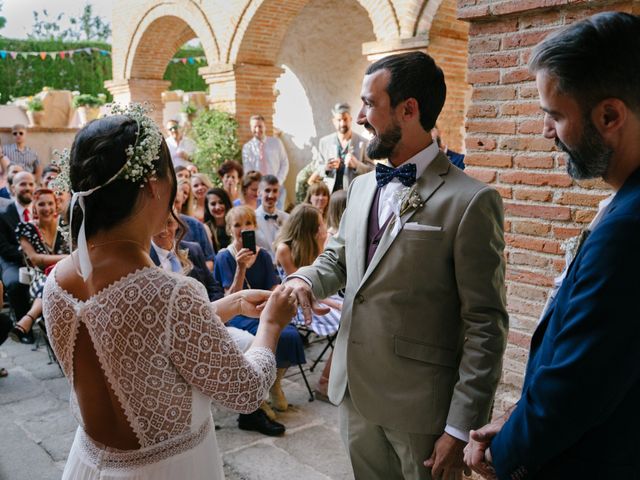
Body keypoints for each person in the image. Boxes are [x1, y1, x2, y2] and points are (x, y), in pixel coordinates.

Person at [42, 105, 297, 479]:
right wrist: (272, 324)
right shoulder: (171, 293)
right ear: (152, 185)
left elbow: (136, 342)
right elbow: (244, 391)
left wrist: (226, 306)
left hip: (89, 464)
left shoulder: (57, 283)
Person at [287, 51, 508, 480]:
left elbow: (486, 323)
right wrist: (304, 279)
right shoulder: (362, 185)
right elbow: (340, 259)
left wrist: (459, 426)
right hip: (355, 395)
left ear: (409, 109)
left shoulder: (471, 201)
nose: (362, 117)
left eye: (371, 104)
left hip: (421, 412)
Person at [464, 12, 640, 480]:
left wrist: (508, 451)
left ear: (609, 116)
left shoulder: (629, 231)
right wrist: (513, 417)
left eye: (556, 115)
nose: (546, 132)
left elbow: (578, 384)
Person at [151, 212, 285, 436]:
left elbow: (213, 289)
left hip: (212, 319)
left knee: (250, 341)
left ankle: (251, 412)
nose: (165, 230)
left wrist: (216, 314)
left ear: (177, 224)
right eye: (159, 224)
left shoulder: (191, 249)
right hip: (169, 336)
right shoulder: (143, 258)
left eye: (170, 223)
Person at [214, 206, 306, 413]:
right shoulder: (224, 257)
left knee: (290, 334)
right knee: (267, 336)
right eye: (237, 225)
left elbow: (273, 284)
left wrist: (274, 300)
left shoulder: (263, 255)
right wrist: (241, 268)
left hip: (263, 307)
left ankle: (275, 383)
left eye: (247, 224)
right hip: (238, 313)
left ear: (254, 227)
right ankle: (258, 393)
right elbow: (230, 298)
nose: (242, 229)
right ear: (230, 229)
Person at [10, 188, 68, 344]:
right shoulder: (26, 228)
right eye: (41, 204)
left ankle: (29, 318)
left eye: (50, 203)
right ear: (34, 206)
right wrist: (68, 257)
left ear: (56, 205)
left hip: (66, 273)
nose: (47, 208)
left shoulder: (64, 225)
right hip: (39, 276)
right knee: (48, 284)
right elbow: (36, 259)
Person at [311, 102, 374, 193]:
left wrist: (357, 165)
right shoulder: (324, 142)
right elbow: (316, 168)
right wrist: (326, 168)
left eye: (345, 119)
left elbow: (372, 171)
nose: (342, 123)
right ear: (333, 121)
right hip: (330, 195)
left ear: (350, 119)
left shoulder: (364, 142)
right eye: (339, 120)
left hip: (354, 193)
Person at [0, 171, 35, 331]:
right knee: (15, 282)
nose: (27, 187)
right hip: (13, 262)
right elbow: (4, 248)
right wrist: (30, 257)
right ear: (13, 189)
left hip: (43, 259)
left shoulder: (43, 207)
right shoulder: (3, 214)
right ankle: (24, 328)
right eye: (22, 184)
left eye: (30, 184)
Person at [241, 115, 289, 209]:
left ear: (265, 127)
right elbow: (248, 171)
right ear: (251, 128)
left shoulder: (276, 143)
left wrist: (278, 181)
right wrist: (256, 187)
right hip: (258, 191)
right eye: (254, 127)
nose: (257, 129)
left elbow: (284, 163)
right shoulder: (247, 148)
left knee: (278, 216)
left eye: (260, 126)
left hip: (277, 187)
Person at [255, 174, 289, 263]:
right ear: (259, 193)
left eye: (275, 191)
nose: (271, 195)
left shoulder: (287, 218)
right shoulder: (251, 219)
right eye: (267, 190)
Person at [203, 187, 232, 254]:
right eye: (213, 204)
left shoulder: (236, 224)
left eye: (221, 202)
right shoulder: (205, 229)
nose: (218, 207)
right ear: (207, 207)